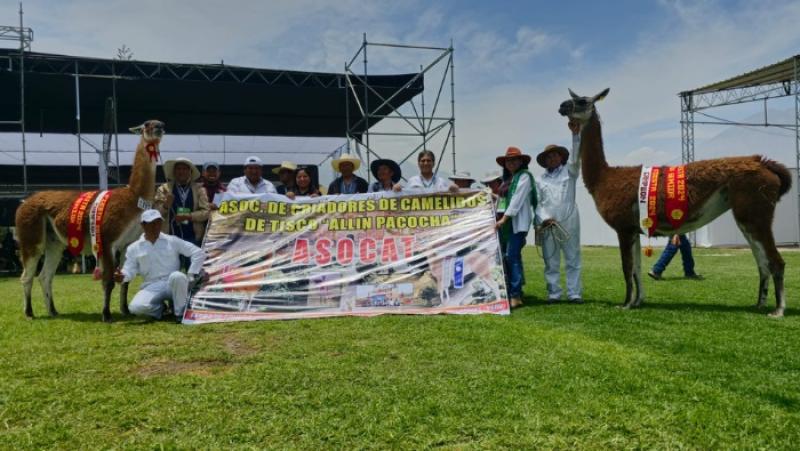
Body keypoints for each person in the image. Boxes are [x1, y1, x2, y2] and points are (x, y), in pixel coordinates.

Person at [113, 209, 205, 322]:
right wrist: (122, 276)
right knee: (135, 308)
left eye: (158, 222)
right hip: (151, 286)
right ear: (143, 225)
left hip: (173, 283)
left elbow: (198, 252)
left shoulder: (172, 240)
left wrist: (191, 275)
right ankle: (162, 310)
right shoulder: (134, 248)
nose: (155, 226)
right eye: (151, 223)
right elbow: (129, 269)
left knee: (178, 276)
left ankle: (180, 313)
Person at [534, 121, 583, 304]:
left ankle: (574, 293)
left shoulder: (570, 172)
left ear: (561, 158)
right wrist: (545, 218)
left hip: (569, 219)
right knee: (551, 260)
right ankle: (554, 293)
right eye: (548, 157)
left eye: (555, 156)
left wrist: (575, 135)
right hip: (549, 223)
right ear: (545, 161)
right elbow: (537, 203)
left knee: (573, 258)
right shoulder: (540, 180)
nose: (552, 159)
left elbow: (577, 157)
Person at [494, 146, 537, 308]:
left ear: (521, 161)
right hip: (504, 223)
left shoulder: (524, 177)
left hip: (515, 223)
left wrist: (504, 218)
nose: (511, 163)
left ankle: (515, 295)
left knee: (512, 256)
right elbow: (501, 201)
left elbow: (517, 200)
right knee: (506, 257)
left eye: (514, 160)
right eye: (508, 161)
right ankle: (511, 290)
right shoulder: (507, 180)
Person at [154, 157, 210, 247]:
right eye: (178, 169)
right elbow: (156, 213)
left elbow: (206, 212)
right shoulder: (164, 189)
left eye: (185, 169)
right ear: (174, 172)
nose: (181, 171)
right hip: (169, 238)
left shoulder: (200, 189)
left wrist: (189, 216)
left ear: (190, 172)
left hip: (193, 238)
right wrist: (166, 205)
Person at [394, 150, 458, 193]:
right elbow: (404, 197)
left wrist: (454, 190)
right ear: (418, 163)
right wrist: (397, 191)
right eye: (423, 161)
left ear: (433, 163)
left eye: (428, 160)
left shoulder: (441, 182)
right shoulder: (412, 181)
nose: (426, 163)